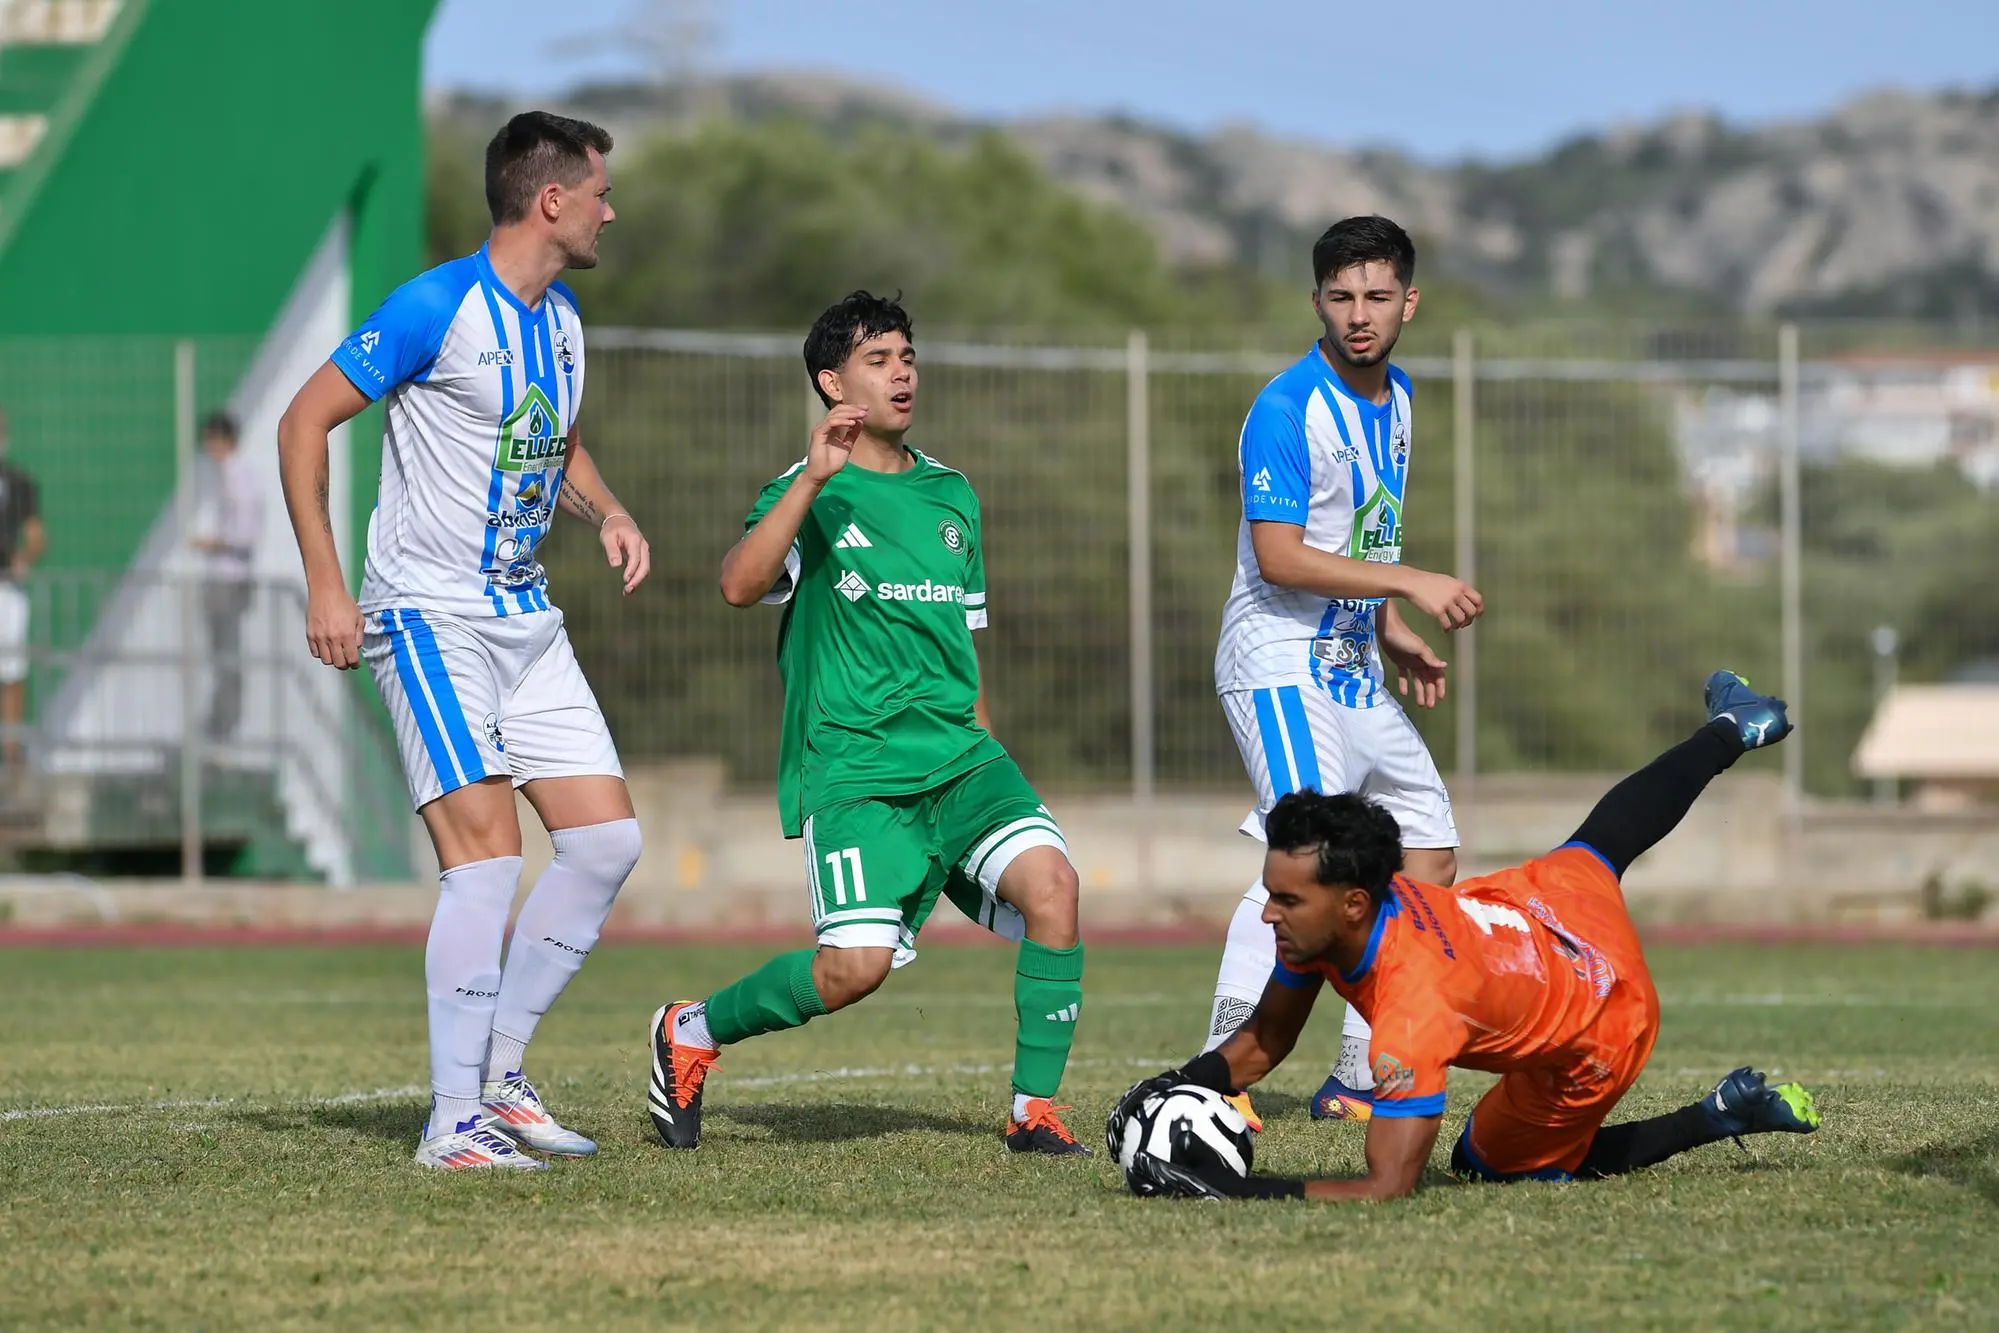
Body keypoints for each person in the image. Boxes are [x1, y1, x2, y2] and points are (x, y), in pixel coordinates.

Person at [276, 111, 650, 1171]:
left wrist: (608, 511)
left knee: (604, 843)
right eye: (599, 192)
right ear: (550, 201)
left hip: (526, 621)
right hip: (426, 617)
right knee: (486, 859)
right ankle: (452, 1122)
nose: (608, 210)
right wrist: (325, 586)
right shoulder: (435, 306)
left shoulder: (563, 320)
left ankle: (503, 1079)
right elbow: (301, 422)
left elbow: (554, 439)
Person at [644, 291, 1090, 1157]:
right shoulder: (807, 492)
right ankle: (690, 1029)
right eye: (877, 360)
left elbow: (963, 642)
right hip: (856, 769)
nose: (900, 374)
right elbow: (737, 585)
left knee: (1055, 889)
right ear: (831, 381)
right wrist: (811, 477)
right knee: (853, 971)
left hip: (963, 760)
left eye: (906, 357)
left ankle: (1033, 1112)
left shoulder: (952, 494)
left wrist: (989, 743)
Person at [1117, 671, 1821, 1201]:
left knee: (1481, 1164)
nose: (1268, 913)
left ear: (1355, 903)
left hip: (1603, 1007)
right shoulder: (1326, 922)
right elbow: (1265, 1038)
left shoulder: (1410, 1013)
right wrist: (1174, 1083)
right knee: (1605, 839)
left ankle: (1717, 1113)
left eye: (1286, 899)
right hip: (1535, 910)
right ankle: (1731, 727)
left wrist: (1233, 1190)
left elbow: (1386, 1186)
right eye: (1271, 892)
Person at [1204, 215, 1482, 1129]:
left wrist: (1388, 625)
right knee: (1302, 861)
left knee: (1428, 850)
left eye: (1374, 295)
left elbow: (1354, 534)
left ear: (1409, 301)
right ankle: (1217, 1081)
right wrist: (1407, 579)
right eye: (1339, 296)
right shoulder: (1286, 408)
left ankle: (1356, 1073)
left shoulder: (1399, 397)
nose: (1357, 315)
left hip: (1350, 660)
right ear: (1315, 301)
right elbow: (1281, 558)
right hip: (1276, 661)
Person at [190, 411, 264, 744]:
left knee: (227, 655)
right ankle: (220, 721)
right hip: (226, 575)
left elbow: (244, 533)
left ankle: (225, 725)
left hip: (229, 577)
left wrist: (212, 543)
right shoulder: (230, 476)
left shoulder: (238, 477)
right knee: (221, 654)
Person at [0, 407, 44, 773]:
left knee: (12, 669)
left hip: (7, 588)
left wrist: (23, 558)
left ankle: (11, 746)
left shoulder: (19, 482)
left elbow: (35, 536)